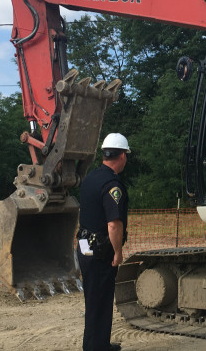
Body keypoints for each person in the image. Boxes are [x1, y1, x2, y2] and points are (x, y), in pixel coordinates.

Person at [76, 133, 131, 351]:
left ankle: (95, 344)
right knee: (102, 299)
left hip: (84, 245)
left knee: (93, 298)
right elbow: (114, 225)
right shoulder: (112, 184)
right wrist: (117, 252)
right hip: (101, 250)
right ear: (123, 156)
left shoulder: (91, 177)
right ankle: (97, 347)